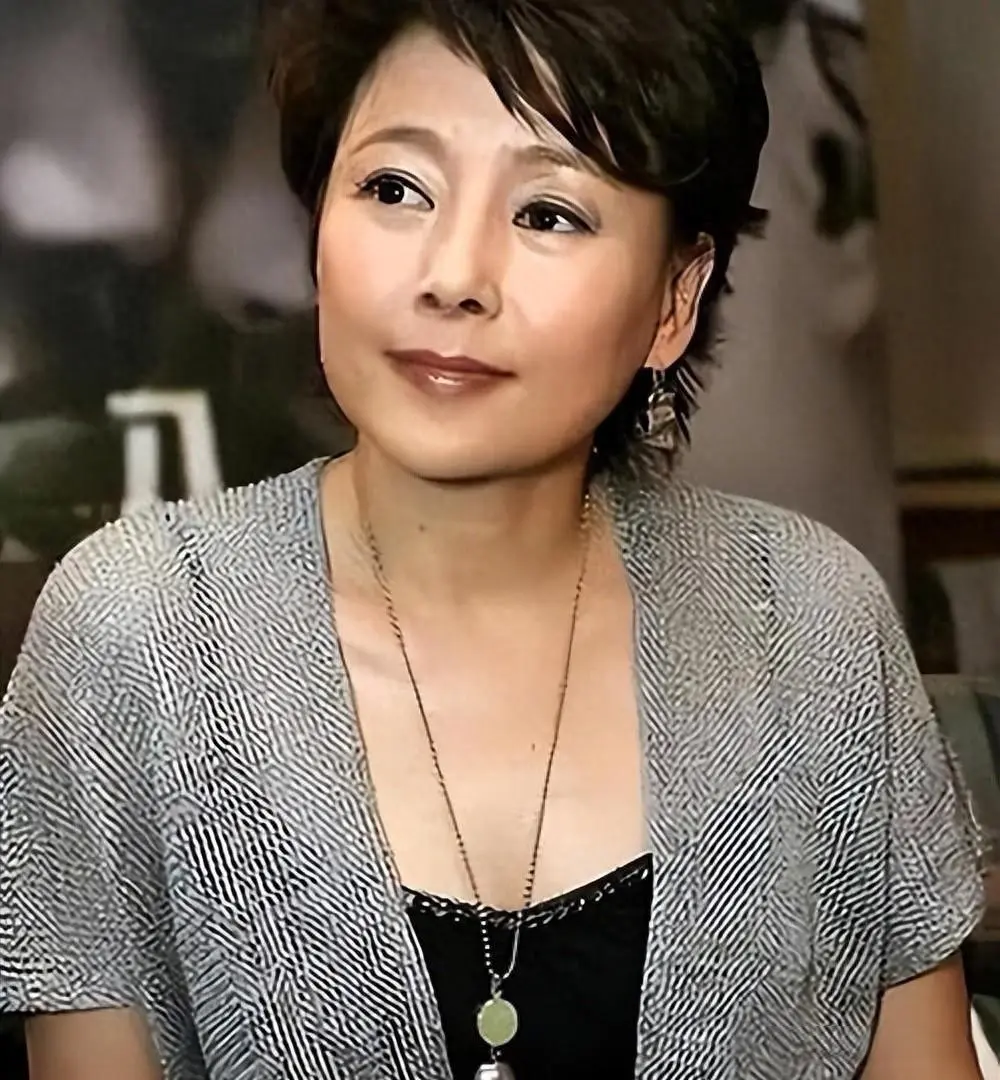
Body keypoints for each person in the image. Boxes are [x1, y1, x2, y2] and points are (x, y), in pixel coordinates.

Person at [0, 1, 986, 1078]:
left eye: (548, 213)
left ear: (674, 299)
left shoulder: (809, 619)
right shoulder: (132, 633)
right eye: (394, 189)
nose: (453, 275)